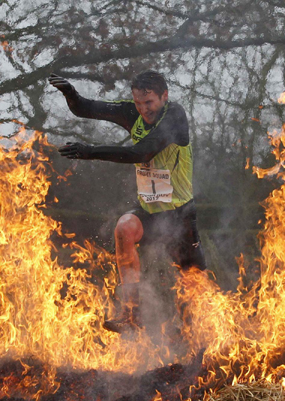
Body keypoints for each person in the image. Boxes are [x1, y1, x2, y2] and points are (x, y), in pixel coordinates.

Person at [48, 70, 206, 333]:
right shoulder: (134, 114)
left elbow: (141, 152)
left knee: (194, 292)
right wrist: (70, 94)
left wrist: (90, 152)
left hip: (180, 218)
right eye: (138, 103)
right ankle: (132, 312)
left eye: (150, 103)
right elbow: (85, 109)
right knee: (124, 227)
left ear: (164, 97)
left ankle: (197, 341)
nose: (143, 110)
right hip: (150, 214)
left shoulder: (174, 118)